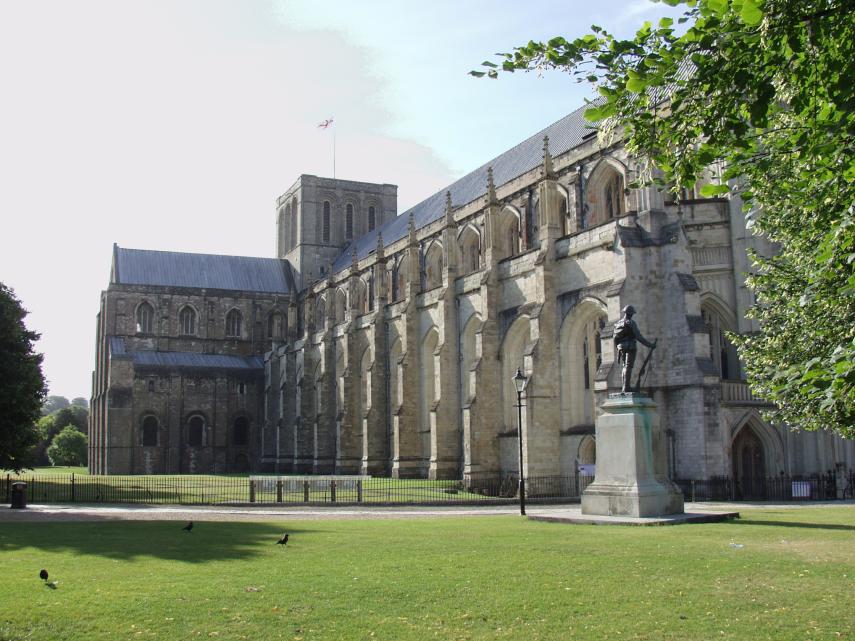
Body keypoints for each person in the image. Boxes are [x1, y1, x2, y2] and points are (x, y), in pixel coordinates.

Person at [613, 305, 656, 393]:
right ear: (631, 314)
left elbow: (615, 338)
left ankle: (625, 387)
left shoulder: (618, 323)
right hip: (630, 346)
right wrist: (650, 345)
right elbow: (638, 337)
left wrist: (618, 347)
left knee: (624, 366)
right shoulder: (630, 323)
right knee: (628, 366)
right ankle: (626, 388)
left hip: (621, 347)